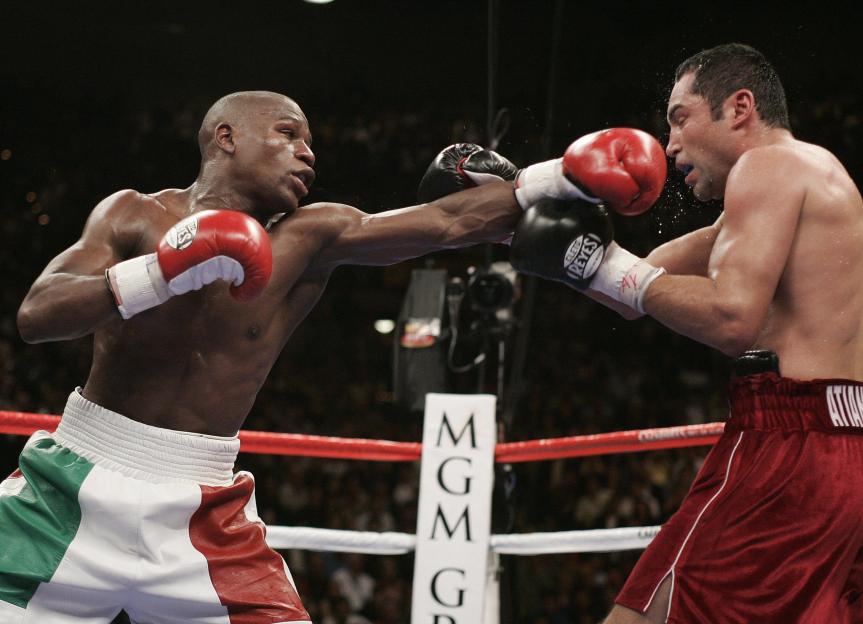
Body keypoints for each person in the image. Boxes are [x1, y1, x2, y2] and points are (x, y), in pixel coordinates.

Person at [6, 90, 661, 622]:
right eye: (288, 134)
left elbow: (445, 222)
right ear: (226, 137)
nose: (306, 153)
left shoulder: (314, 235)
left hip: (202, 507)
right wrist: (166, 270)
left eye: (310, 142)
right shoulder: (133, 216)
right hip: (71, 489)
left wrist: (564, 176)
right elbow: (38, 315)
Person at [511, 43, 863, 622]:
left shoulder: (770, 166)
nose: (669, 145)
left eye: (680, 118)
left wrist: (597, 263)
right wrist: (535, 193)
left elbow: (730, 318)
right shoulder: (804, 179)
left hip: (789, 445)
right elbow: (636, 284)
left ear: (740, 107)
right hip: (842, 442)